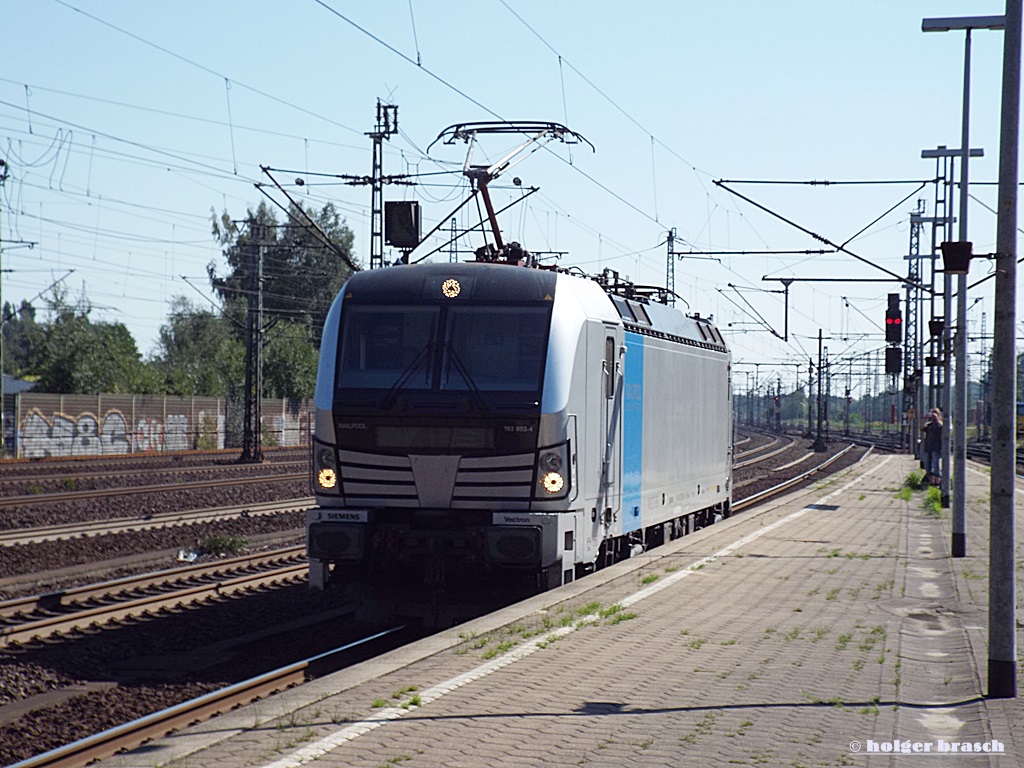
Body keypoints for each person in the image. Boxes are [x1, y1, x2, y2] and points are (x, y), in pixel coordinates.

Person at [921, 408, 943, 485]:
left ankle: (938, 482)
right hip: (928, 447)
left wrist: (937, 418)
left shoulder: (940, 423)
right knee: (927, 466)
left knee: (936, 465)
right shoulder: (929, 425)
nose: (933, 415)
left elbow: (941, 427)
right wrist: (925, 419)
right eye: (932, 413)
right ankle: (930, 481)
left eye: (935, 413)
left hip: (936, 448)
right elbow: (922, 428)